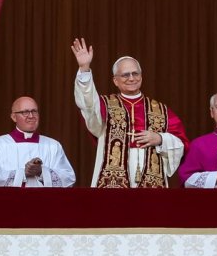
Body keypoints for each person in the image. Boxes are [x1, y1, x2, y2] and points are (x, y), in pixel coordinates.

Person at [71, 38, 188, 188]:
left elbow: (182, 144)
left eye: (135, 73)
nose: (131, 78)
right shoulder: (104, 105)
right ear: (115, 81)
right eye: (125, 75)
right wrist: (84, 69)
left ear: (141, 76)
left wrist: (160, 138)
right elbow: (87, 105)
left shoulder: (161, 110)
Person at [0, 96, 76, 187]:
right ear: (14, 117)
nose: (31, 116)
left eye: (34, 111)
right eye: (25, 112)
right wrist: (23, 173)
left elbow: (68, 178)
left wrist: (42, 172)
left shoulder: (53, 146)